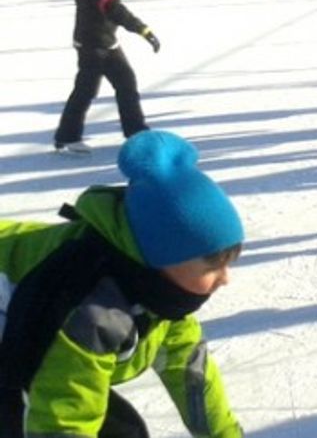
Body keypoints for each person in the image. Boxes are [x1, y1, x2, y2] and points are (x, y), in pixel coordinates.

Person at [0, 130, 245, 437]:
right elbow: (63, 416)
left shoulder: (162, 291)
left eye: (228, 262)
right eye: (212, 265)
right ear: (162, 256)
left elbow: (189, 375)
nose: (226, 278)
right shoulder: (90, 312)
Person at [54, 0, 161, 156]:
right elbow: (116, 11)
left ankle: (136, 133)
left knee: (125, 83)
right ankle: (68, 136)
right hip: (94, 44)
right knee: (87, 90)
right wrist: (144, 30)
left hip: (103, 40)